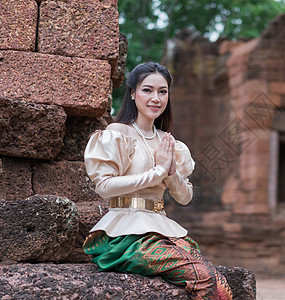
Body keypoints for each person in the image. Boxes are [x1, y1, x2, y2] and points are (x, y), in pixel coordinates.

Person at [83, 62, 233, 300]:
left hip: (162, 230)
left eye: (162, 92)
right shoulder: (116, 134)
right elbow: (104, 187)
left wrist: (171, 172)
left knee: (219, 283)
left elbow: (184, 197)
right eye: (147, 90)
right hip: (124, 236)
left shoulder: (171, 143)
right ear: (132, 93)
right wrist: (158, 171)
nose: (156, 98)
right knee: (205, 276)